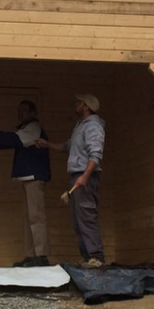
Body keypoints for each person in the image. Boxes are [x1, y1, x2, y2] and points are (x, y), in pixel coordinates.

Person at [0, 100, 51, 267]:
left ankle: (41, 255)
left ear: (33, 113)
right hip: (29, 177)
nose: (21, 114)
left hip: (34, 177)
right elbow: (9, 140)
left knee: (36, 217)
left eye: (24, 111)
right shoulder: (27, 128)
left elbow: (11, 140)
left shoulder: (33, 128)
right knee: (29, 218)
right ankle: (31, 255)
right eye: (19, 110)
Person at [36, 94, 106, 268]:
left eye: (79, 102)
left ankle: (96, 257)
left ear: (86, 106)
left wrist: (84, 176)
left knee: (86, 216)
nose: (76, 104)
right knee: (77, 220)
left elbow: (96, 155)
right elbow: (67, 146)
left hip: (85, 176)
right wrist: (48, 144)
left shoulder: (93, 126)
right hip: (78, 176)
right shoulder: (80, 126)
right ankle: (87, 258)